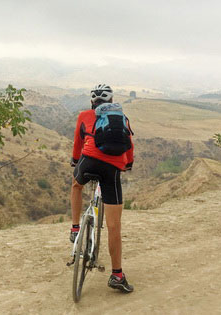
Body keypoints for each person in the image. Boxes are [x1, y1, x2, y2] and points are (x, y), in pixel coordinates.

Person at [70, 84, 134, 293]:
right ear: (111, 100)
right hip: (113, 167)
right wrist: (128, 164)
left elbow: (78, 143)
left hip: (88, 161)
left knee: (76, 185)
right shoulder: (121, 117)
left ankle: (75, 227)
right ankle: (117, 275)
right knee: (114, 226)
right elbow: (129, 145)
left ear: (92, 101)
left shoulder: (84, 115)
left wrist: (75, 161)